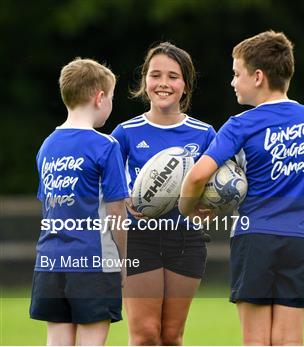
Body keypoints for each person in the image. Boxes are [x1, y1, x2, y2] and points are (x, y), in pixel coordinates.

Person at [179, 30, 304, 346]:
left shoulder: (241, 123)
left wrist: (187, 209)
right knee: (289, 340)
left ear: (259, 76)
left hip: (255, 239)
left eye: (237, 74)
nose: (233, 81)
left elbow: (197, 176)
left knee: (256, 341)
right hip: (299, 240)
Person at [111, 42, 216, 345]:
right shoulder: (125, 132)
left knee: (171, 336)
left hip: (186, 239)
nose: (164, 84)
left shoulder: (205, 134)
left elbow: (220, 189)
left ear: (185, 85)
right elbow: (108, 190)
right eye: (156, 75)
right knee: (144, 335)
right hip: (138, 239)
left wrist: (210, 208)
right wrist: (123, 201)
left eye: (173, 76)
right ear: (145, 81)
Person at [30, 58, 128, 345]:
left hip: (49, 262)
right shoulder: (106, 145)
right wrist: (123, 261)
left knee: (56, 341)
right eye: (111, 97)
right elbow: (116, 210)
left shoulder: (47, 145)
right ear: (100, 98)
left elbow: (48, 204)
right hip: (93, 263)